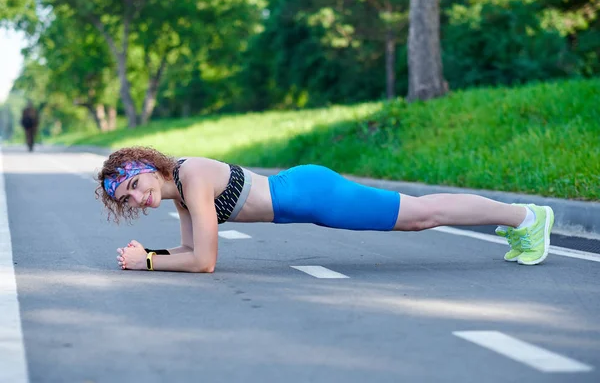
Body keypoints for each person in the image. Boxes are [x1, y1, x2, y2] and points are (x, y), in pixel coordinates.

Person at [95, 146, 554, 273]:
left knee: (421, 215)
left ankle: (527, 219)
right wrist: (152, 253)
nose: (137, 198)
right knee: (419, 215)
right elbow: (190, 249)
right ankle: (522, 220)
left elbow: (206, 262)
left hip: (314, 194)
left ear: (150, 169)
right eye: (128, 199)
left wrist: (149, 262)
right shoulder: (178, 190)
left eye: (135, 185)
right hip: (305, 196)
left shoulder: (191, 176)